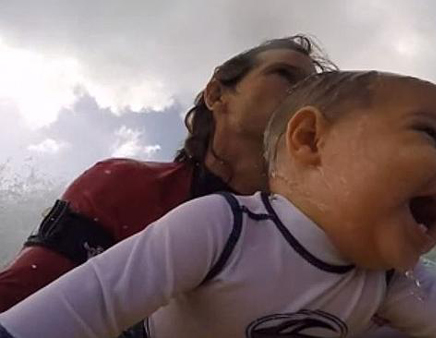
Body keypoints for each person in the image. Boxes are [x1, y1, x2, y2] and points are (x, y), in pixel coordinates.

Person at [0, 71, 436, 338]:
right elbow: (81, 308)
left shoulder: (385, 277)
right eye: (431, 137)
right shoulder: (217, 224)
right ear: (308, 140)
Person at [0, 34, 335, 312]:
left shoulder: (319, 229)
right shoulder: (123, 185)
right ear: (217, 94)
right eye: (284, 75)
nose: (305, 95)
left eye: (315, 89)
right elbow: (20, 298)